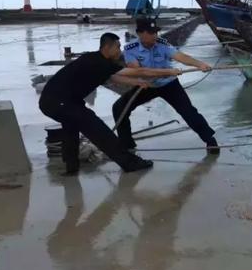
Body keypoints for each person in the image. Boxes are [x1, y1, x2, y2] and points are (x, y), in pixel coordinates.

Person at [39, 32, 181, 174]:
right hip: (58, 102)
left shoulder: (95, 59)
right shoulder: (100, 63)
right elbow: (140, 71)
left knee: (71, 127)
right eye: (118, 47)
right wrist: (169, 71)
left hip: (59, 101)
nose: (120, 51)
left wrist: (137, 82)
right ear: (108, 47)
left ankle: (71, 167)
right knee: (98, 130)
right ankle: (130, 163)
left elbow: (112, 77)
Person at [112, 18, 219, 155]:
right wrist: (165, 72)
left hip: (169, 84)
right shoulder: (130, 49)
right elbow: (139, 72)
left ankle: (210, 140)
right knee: (119, 107)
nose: (155, 36)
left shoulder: (162, 44)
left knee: (188, 112)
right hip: (146, 86)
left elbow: (180, 56)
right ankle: (127, 145)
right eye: (150, 33)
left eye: (155, 32)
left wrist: (200, 64)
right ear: (140, 33)